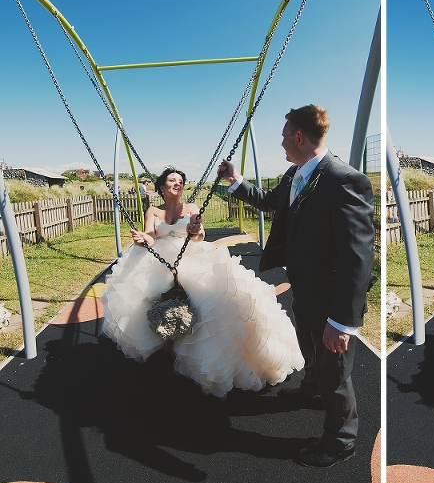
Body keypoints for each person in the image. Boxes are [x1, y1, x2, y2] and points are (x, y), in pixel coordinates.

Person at [219, 105, 375, 468]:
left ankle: (341, 440)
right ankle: (310, 390)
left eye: (285, 135)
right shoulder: (296, 175)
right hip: (304, 287)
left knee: (335, 372)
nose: (282, 142)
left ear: (300, 137)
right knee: (308, 346)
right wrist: (236, 180)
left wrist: (342, 321)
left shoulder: (344, 179)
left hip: (331, 297)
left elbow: (358, 256)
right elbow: (272, 203)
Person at [101, 166, 303, 397]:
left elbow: (200, 236)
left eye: (180, 181)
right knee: (156, 301)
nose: (177, 183)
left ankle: (200, 356)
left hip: (191, 256)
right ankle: (170, 353)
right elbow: (150, 236)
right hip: (161, 260)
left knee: (206, 301)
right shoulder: (153, 211)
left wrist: (194, 230)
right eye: (172, 180)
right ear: (161, 187)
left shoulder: (192, 208)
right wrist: (140, 239)